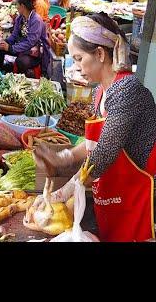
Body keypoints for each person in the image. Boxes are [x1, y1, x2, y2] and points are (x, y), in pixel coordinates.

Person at [33, 13, 156, 242]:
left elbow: (103, 154)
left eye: (79, 58)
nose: (76, 67)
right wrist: (64, 156)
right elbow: (92, 143)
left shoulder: (126, 90)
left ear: (100, 54)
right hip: (114, 195)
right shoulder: (100, 91)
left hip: (140, 196)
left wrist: (65, 190)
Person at [0, 0, 50, 77]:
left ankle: (22, 78)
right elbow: (14, 35)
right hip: (22, 47)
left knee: (21, 62)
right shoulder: (20, 18)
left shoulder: (36, 20)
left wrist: (10, 48)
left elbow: (30, 42)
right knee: (0, 46)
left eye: (17, 4)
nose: (16, 7)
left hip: (35, 52)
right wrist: (5, 42)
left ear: (23, 6)